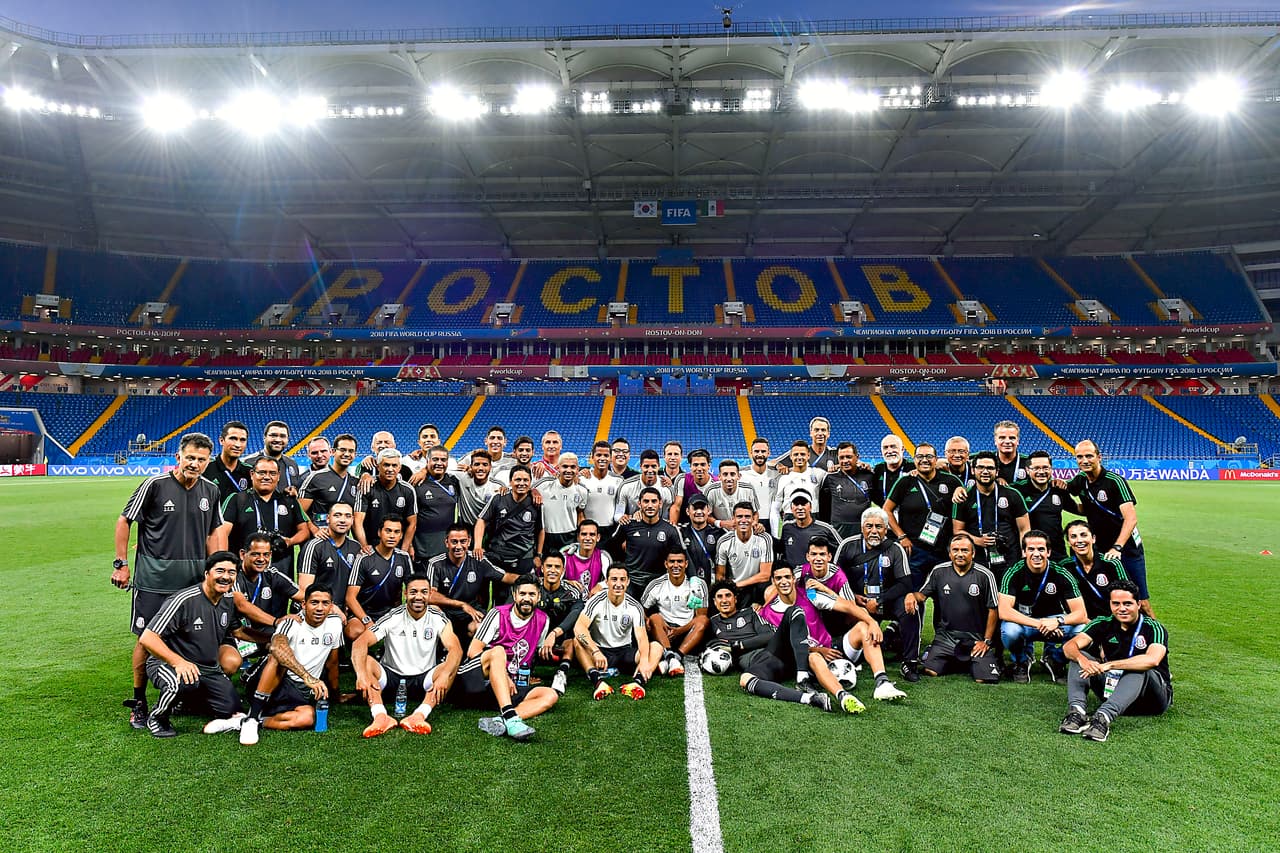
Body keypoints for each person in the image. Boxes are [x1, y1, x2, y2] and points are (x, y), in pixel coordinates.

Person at [114, 432, 224, 730]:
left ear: (207, 462)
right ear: (178, 457)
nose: (195, 463)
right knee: (146, 639)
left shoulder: (210, 491)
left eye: (201, 459)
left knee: (186, 637)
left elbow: (214, 532)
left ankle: (181, 693)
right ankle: (139, 702)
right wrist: (121, 564)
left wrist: (216, 571)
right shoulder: (155, 485)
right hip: (153, 580)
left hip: (191, 582)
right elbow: (125, 520)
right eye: (190, 457)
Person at [706, 578, 862, 714]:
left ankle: (840, 695)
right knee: (745, 680)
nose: (724, 600)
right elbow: (708, 648)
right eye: (719, 597)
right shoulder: (712, 623)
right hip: (760, 664)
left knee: (795, 612)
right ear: (714, 601)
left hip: (775, 651)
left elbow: (768, 635)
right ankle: (811, 698)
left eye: (728, 596)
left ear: (735, 599)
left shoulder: (750, 613)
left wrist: (736, 645)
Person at [761, 563, 907, 703]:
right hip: (808, 658)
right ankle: (842, 695)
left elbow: (847, 606)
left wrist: (872, 622)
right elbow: (784, 646)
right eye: (779, 578)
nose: (784, 582)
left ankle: (882, 683)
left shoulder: (809, 595)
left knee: (863, 627)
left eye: (787, 577)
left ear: (794, 578)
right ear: (773, 581)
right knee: (814, 657)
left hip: (832, 649)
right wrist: (818, 650)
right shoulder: (768, 613)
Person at [136, 551, 245, 738]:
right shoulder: (184, 599)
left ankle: (186, 700)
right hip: (168, 663)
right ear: (207, 574)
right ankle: (157, 717)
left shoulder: (228, 600)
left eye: (231, 572)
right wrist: (178, 662)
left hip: (208, 668)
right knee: (179, 683)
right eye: (220, 571)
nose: (226, 577)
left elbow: (238, 632)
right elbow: (147, 637)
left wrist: (269, 639)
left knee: (232, 709)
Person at [1059, 579, 1172, 742]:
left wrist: (1110, 665)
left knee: (1138, 667)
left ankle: (1102, 718)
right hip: (1115, 691)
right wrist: (1083, 660)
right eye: (1116, 604)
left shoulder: (1153, 628)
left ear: (1138, 604)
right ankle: (1077, 713)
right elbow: (1069, 646)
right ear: (1110, 605)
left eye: (1127, 603)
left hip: (1151, 698)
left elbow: (1152, 660)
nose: (1122, 609)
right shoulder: (1102, 623)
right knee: (1079, 656)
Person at [353, 573, 463, 737]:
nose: (418, 597)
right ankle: (380, 716)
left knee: (449, 665)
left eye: (424, 592)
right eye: (413, 592)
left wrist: (444, 675)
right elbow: (359, 643)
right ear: (405, 593)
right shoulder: (393, 616)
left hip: (424, 679)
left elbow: (456, 649)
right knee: (366, 662)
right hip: (391, 677)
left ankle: (419, 715)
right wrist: (361, 674)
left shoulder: (438, 617)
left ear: (430, 594)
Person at [454, 574, 560, 741]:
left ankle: (502, 720)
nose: (527, 599)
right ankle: (510, 717)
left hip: (507, 690)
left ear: (539, 597)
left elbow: (532, 652)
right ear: (514, 594)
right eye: (522, 594)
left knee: (550, 694)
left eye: (532, 595)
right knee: (498, 651)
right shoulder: (497, 614)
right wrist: (503, 674)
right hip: (476, 681)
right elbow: (473, 651)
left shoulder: (543, 620)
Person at [239, 584, 343, 745]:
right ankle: (252, 716)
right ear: (304, 604)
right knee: (278, 657)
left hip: (300, 691)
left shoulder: (335, 624)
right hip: (272, 682)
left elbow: (333, 662)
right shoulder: (292, 622)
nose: (320, 608)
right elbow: (276, 647)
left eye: (325, 603)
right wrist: (307, 677)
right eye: (314, 602)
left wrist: (336, 694)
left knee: (307, 718)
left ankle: (248, 722)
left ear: (331, 606)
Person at [834, 507, 921, 682]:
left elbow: (905, 583)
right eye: (869, 526)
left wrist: (880, 599)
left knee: (910, 608)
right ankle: (840, 646)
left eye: (879, 527)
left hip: (886, 600)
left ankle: (909, 662)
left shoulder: (895, 549)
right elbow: (835, 578)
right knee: (838, 607)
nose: (874, 531)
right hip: (857, 600)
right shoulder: (847, 545)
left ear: (886, 530)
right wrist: (853, 596)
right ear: (861, 528)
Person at [1067, 439, 1151, 614]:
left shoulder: (1114, 481)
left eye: (1089, 456)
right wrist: (1059, 488)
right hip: (1099, 548)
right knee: (1106, 599)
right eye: (1080, 457)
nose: (1084, 460)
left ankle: (1155, 637)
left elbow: (1131, 518)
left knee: (1140, 601)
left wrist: (1117, 547)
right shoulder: (1080, 480)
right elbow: (1086, 507)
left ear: (1099, 457)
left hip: (1126, 548)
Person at [997, 530, 1089, 684]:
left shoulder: (1061, 573)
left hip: (1054, 623)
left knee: (1084, 629)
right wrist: (1039, 624)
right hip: (1026, 623)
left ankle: (1056, 659)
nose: (1036, 554)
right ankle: (1021, 661)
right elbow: (1004, 611)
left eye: (1041, 549)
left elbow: (1081, 614)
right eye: (1031, 549)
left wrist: (1058, 621)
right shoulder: (1013, 572)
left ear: (1049, 552)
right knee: (1009, 631)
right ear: (1024, 552)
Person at [909, 533, 1002, 683]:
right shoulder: (938, 571)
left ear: (973, 553)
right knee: (930, 671)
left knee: (985, 679)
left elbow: (993, 609)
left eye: (965, 550)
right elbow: (921, 595)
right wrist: (910, 596)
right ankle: (951, 657)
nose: (960, 554)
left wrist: (986, 641)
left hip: (975, 639)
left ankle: (969, 660)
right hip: (946, 638)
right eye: (956, 550)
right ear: (949, 553)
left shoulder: (985, 575)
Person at [573, 565, 662, 700]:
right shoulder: (596, 601)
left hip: (624, 652)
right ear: (607, 582)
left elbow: (642, 637)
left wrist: (644, 660)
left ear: (628, 582)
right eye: (614, 579)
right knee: (576, 640)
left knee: (656, 647)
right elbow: (579, 627)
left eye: (622, 579)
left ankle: (638, 683)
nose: (618, 584)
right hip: (600, 653)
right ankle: (598, 682)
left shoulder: (634, 606)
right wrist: (595, 651)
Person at [882, 442, 964, 586]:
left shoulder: (951, 481)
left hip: (944, 550)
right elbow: (886, 510)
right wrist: (901, 536)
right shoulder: (905, 481)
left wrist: (960, 488)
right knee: (913, 595)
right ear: (914, 460)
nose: (924, 460)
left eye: (929, 456)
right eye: (920, 456)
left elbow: (964, 510)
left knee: (945, 595)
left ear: (936, 459)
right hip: (914, 549)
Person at [217, 456, 309, 576]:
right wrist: (224, 562)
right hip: (244, 570)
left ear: (279, 475)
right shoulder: (236, 499)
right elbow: (222, 532)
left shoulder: (289, 501)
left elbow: (304, 531)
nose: (267, 477)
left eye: (272, 473)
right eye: (262, 472)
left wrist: (289, 542)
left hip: (280, 569)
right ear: (252, 474)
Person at [424, 523, 519, 639]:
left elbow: (506, 577)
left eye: (463, 541)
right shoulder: (435, 563)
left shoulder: (478, 560)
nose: (458, 546)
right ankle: (440, 652)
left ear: (469, 542)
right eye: (454, 542)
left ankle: (473, 654)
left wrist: (532, 580)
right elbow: (429, 595)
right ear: (446, 543)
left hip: (471, 610)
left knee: (481, 627)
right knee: (432, 610)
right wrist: (461, 604)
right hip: (446, 609)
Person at [295, 502, 363, 640]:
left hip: (345, 607)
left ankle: (348, 657)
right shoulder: (314, 546)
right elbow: (306, 590)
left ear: (352, 520)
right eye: (337, 515)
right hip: (319, 605)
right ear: (328, 519)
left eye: (347, 516)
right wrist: (331, 608)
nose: (343, 520)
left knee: (357, 630)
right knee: (331, 628)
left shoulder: (356, 548)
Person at [952, 451, 1029, 571]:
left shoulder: (1013, 494)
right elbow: (957, 531)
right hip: (977, 560)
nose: (985, 471)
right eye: (980, 467)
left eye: (990, 468)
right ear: (973, 470)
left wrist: (1025, 554)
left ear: (997, 472)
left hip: (1010, 558)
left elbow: (1024, 529)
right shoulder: (964, 497)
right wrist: (977, 540)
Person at [642, 551, 711, 675]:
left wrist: (680, 630)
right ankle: (670, 656)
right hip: (664, 632)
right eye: (672, 561)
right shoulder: (656, 584)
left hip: (687, 632)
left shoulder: (698, 585)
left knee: (703, 621)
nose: (676, 565)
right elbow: (640, 610)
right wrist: (647, 620)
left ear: (686, 564)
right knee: (654, 617)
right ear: (665, 564)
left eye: (679, 561)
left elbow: (701, 616)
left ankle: (676, 657)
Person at [231, 533, 303, 648]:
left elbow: (303, 596)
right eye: (255, 554)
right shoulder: (232, 574)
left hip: (264, 631)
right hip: (238, 633)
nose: (261, 559)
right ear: (243, 554)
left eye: (266, 555)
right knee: (278, 648)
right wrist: (276, 621)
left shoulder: (271, 574)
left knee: (296, 640)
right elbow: (241, 605)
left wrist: (328, 605)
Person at [614, 486, 686, 599]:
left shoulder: (670, 529)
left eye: (654, 501)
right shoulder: (628, 524)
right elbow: (611, 546)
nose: (650, 505)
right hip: (631, 581)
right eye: (646, 501)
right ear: (639, 504)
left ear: (660, 503)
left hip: (658, 581)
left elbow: (683, 555)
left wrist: (693, 580)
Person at [474, 464, 543, 578]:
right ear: (510, 482)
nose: (522, 483)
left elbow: (540, 530)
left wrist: (538, 555)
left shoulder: (536, 502)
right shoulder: (498, 498)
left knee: (524, 590)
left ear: (530, 483)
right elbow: (482, 520)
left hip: (524, 557)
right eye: (517, 480)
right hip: (499, 555)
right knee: (499, 592)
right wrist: (477, 545)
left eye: (526, 480)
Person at [1011, 450, 1079, 561]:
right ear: (1027, 470)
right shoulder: (1016, 490)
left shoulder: (1058, 489)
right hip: (1030, 553)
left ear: (1051, 469)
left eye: (1045, 468)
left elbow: (1079, 510)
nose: (1041, 472)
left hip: (1057, 553)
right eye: (1036, 468)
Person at [533, 552, 585, 695]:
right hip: (535, 641)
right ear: (542, 568)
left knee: (574, 639)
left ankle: (561, 673)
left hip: (561, 642)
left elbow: (576, 613)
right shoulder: (532, 588)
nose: (553, 570)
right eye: (549, 566)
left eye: (557, 567)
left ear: (563, 571)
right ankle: (525, 670)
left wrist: (554, 634)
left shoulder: (572, 591)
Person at [346, 516, 412, 627]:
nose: (392, 536)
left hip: (390, 613)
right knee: (354, 631)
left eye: (396, 532)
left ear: (401, 536)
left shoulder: (404, 557)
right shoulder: (364, 557)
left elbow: (412, 588)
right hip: (365, 612)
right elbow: (350, 597)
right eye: (388, 531)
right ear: (379, 533)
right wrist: (367, 621)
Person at [1060, 520, 1130, 619]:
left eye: (1083, 535)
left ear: (1093, 539)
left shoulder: (1110, 563)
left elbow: (1128, 594)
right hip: (1083, 623)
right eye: (1073, 536)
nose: (1079, 540)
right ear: (1069, 542)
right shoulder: (1065, 567)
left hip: (1113, 620)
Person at [353, 448, 418, 554]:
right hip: (371, 546)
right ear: (378, 467)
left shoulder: (408, 490)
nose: (390, 469)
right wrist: (365, 546)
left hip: (397, 546)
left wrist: (404, 551)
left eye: (394, 465)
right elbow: (357, 521)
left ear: (399, 467)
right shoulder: (367, 486)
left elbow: (412, 523)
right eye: (386, 465)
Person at [714, 501, 774, 605]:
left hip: (756, 586)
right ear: (733, 519)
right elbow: (720, 575)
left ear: (753, 519)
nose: (743, 520)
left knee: (767, 587)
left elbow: (765, 575)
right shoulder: (724, 542)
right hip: (736, 590)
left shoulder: (764, 538)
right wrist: (728, 590)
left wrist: (737, 584)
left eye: (747, 516)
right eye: (739, 516)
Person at [298, 433, 360, 533]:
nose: (347, 454)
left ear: (355, 454)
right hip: (320, 540)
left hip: (343, 541)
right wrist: (314, 530)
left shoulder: (356, 482)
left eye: (351, 451)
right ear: (333, 451)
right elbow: (299, 511)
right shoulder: (315, 477)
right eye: (343, 450)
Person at [410, 445, 459, 569]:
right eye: (435, 459)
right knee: (422, 585)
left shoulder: (453, 481)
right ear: (427, 461)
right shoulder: (417, 482)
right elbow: (408, 518)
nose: (439, 463)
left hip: (446, 546)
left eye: (443, 460)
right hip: (422, 547)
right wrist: (410, 545)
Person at [819, 442, 875, 539]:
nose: (845, 461)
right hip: (839, 527)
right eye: (841, 457)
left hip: (863, 525)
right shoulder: (831, 477)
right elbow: (824, 505)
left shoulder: (869, 475)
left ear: (857, 457)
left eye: (848, 457)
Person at [534, 453, 587, 554]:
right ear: (558, 468)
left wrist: (582, 536)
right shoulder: (544, 485)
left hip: (570, 537)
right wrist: (533, 492)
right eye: (565, 466)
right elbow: (526, 489)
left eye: (572, 467)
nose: (568, 470)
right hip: (547, 536)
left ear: (577, 469)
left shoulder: (582, 491)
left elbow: (580, 514)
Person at [777, 491, 840, 570]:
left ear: (810, 507)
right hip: (793, 579)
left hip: (817, 578)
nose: (800, 508)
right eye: (796, 504)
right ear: (791, 508)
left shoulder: (826, 529)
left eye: (803, 504)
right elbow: (781, 551)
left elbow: (842, 551)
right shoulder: (786, 527)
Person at [772, 441, 827, 528]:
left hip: (813, 516)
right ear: (790, 456)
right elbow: (776, 506)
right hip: (790, 517)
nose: (799, 457)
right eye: (796, 454)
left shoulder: (819, 473)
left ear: (808, 456)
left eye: (802, 454)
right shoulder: (783, 478)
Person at [580, 440, 623, 545]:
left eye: (606, 455)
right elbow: (578, 509)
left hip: (610, 531)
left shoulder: (618, 480)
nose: (602, 458)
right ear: (592, 457)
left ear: (611, 457)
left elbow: (621, 506)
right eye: (599, 455)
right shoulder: (582, 479)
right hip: (588, 531)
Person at [614, 449, 674, 525]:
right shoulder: (626, 486)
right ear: (640, 466)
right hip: (633, 528)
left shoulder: (667, 488)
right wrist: (625, 518)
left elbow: (667, 518)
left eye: (653, 466)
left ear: (658, 466)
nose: (650, 470)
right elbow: (617, 514)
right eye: (646, 466)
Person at [242, 421, 301, 496]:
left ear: (288, 439)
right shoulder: (248, 462)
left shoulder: (292, 464)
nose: (278, 440)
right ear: (264, 438)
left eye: (282, 436)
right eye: (273, 435)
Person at [739, 437, 781, 536]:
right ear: (751, 453)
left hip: (773, 522)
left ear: (768, 453)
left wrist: (778, 464)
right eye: (756, 451)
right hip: (750, 521)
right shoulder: (741, 474)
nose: (760, 454)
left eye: (763, 451)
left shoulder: (777, 473)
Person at [703, 459, 761, 530]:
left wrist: (754, 523)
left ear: (739, 476)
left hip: (743, 531)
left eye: (732, 474)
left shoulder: (749, 489)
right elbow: (705, 515)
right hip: (719, 531)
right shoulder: (711, 490)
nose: (729, 478)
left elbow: (755, 513)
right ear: (719, 477)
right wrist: (721, 523)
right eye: (725, 474)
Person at [455, 448, 501, 536]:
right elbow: (441, 470)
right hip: (466, 528)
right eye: (476, 464)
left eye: (485, 464)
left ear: (490, 467)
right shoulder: (462, 478)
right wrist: (423, 471)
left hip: (489, 531)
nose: (480, 468)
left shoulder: (498, 486)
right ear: (470, 466)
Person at [203, 420, 250, 506]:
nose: (238, 445)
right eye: (233, 438)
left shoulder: (250, 472)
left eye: (242, 440)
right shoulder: (205, 468)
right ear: (221, 440)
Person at [678, 494, 724, 581]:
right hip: (688, 582)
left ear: (709, 510)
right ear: (687, 511)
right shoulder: (680, 532)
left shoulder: (718, 533)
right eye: (695, 508)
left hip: (712, 582)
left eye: (702, 508)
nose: (699, 512)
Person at [563, 519, 612, 595]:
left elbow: (611, 580)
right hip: (569, 602)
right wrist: (567, 583)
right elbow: (554, 581)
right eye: (584, 534)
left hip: (594, 601)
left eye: (592, 534)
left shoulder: (603, 557)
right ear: (578, 537)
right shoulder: (566, 556)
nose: (588, 538)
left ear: (598, 537)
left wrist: (601, 585)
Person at [670, 448, 716, 525]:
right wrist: (673, 528)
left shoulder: (716, 484)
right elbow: (676, 507)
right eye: (695, 465)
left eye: (703, 464)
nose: (699, 468)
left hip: (710, 525)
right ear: (690, 467)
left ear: (709, 466)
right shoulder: (682, 479)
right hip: (686, 523)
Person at [869, 434, 914, 506]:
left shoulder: (913, 467)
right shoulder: (877, 470)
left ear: (902, 449)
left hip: (908, 514)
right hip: (885, 514)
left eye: (893, 447)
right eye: (885, 448)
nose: (889, 451)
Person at [993, 420, 1030, 485]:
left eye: (1012, 438)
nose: (1007, 441)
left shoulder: (1029, 462)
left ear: (1018, 441)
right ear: (995, 440)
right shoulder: (985, 461)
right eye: (1002, 438)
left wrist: (1053, 481)